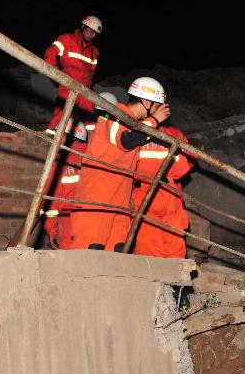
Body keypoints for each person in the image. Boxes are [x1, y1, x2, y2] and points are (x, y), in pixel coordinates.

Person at [68, 77, 170, 252]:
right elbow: (126, 140)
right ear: (146, 101)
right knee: (90, 246)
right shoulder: (115, 114)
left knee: (117, 248)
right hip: (98, 194)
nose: (159, 110)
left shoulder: (137, 125)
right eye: (157, 105)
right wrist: (154, 120)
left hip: (120, 196)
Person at [131, 124, 195, 258]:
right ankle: (176, 273)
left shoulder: (134, 132)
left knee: (147, 237)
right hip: (170, 189)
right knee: (173, 236)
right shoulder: (174, 133)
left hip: (143, 189)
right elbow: (189, 160)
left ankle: (153, 274)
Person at [43, 15, 102, 132]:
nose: (93, 35)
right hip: (68, 84)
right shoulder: (67, 39)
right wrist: (57, 77)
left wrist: (88, 86)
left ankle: (91, 143)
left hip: (85, 89)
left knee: (90, 121)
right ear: (83, 26)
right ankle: (50, 137)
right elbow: (49, 55)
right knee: (62, 114)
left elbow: (92, 72)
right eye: (91, 31)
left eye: (95, 34)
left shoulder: (93, 51)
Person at [42, 120, 88, 249]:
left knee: (70, 264)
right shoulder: (93, 157)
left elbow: (52, 198)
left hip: (68, 222)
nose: (57, 140)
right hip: (93, 222)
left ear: (69, 136)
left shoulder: (60, 162)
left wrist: (52, 230)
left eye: (60, 135)